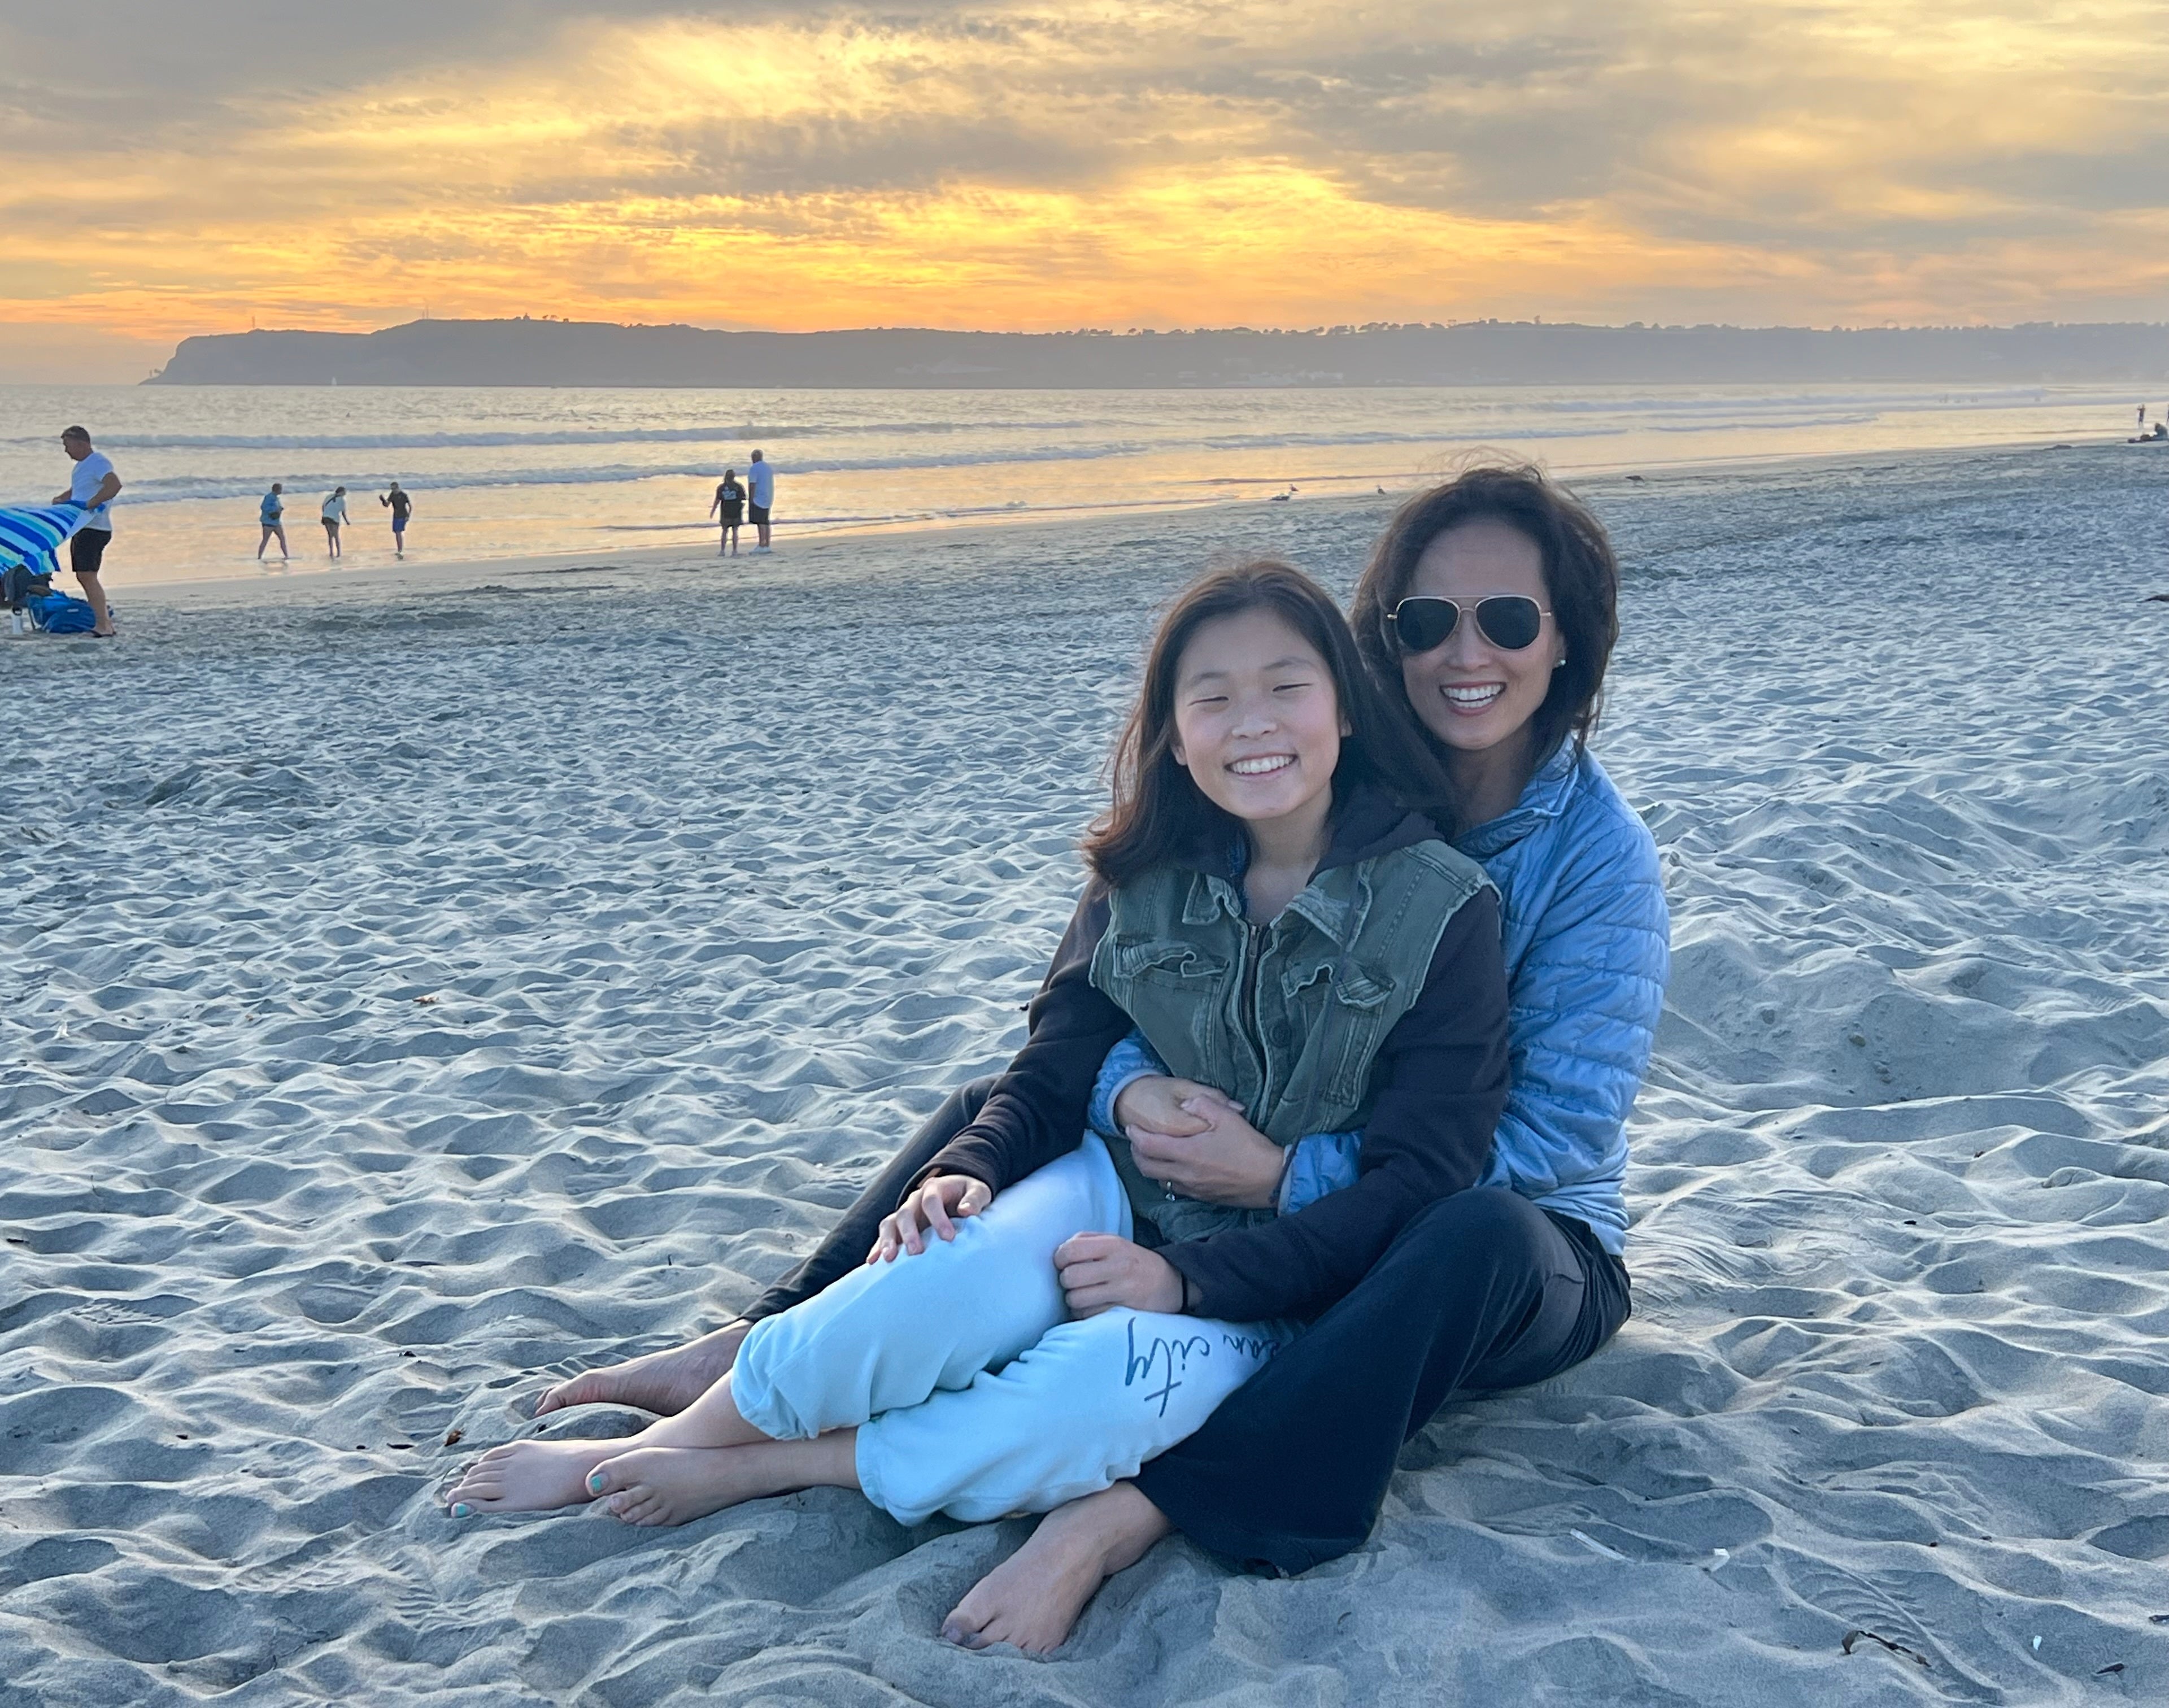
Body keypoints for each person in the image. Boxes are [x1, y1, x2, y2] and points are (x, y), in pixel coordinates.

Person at [535, 465, 1667, 1652]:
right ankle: (778, 1334)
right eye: (1426, 620)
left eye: (1509, 619)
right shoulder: (1334, 782)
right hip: (1305, 1199)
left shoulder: (1593, 860)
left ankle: (1130, 1515)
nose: (1463, 651)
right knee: (1006, 1102)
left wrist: (1284, 1176)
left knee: (1464, 1233)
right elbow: (1143, 999)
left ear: (1567, 644)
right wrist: (1134, 1095)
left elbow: (1542, 1150)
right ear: (1379, 647)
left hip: (1513, 1252)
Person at [444, 563, 1512, 1574]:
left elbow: (1420, 1181)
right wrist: (967, 1170)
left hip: (1286, 1290)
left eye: (1287, 687)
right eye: (1213, 697)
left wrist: (1189, 1281)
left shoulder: (1441, 906)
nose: (1253, 724)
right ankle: (663, 1440)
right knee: (914, 1290)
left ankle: (778, 1463)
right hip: (1107, 1195)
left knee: (1079, 1405)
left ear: (1347, 708)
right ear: (1175, 736)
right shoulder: (1141, 876)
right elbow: (1051, 1067)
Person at [51, 425, 120, 637]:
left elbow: (114, 485)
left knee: (88, 576)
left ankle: (104, 625)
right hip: (83, 527)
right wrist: (63, 498)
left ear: (81, 444)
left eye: (68, 445)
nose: (66, 451)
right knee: (84, 576)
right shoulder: (82, 467)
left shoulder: (98, 462)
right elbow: (81, 489)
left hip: (94, 528)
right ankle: (104, 623)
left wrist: (91, 504)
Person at [711, 468, 747, 555]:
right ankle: (735, 550)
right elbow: (744, 498)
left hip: (725, 511)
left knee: (724, 531)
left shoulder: (721, 487)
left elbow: (717, 500)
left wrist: (713, 510)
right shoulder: (739, 487)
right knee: (735, 531)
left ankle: (722, 551)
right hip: (736, 511)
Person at [746, 449, 774, 551]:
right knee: (766, 521)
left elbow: (752, 484)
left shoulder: (754, 468)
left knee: (760, 522)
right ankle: (767, 544)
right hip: (768, 497)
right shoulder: (768, 467)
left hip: (758, 498)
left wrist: (751, 498)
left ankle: (762, 544)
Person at [258, 484, 289, 561]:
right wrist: (275, 510)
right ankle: (259, 557)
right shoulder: (269, 497)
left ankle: (286, 556)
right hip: (268, 522)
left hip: (276, 522)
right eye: (280, 489)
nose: (281, 491)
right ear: (277, 489)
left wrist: (280, 509)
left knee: (282, 538)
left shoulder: (276, 498)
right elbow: (264, 507)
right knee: (265, 540)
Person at [379, 482, 411, 557]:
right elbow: (387, 505)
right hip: (396, 516)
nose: (393, 490)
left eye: (394, 489)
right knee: (397, 532)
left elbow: (410, 506)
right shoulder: (392, 495)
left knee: (399, 532)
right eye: (392, 489)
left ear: (397, 488)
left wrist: (408, 516)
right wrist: (383, 500)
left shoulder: (403, 495)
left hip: (403, 515)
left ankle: (401, 550)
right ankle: (399, 549)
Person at [321, 487, 349, 559]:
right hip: (334, 519)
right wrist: (347, 521)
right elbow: (343, 513)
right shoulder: (342, 500)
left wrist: (325, 513)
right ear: (341, 492)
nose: (345, 493)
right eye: (344, 492)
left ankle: (331, 552)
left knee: (330, 535)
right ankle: (339, 553)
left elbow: (323, 506)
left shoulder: (329, 496)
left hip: (326, 518)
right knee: (336, 536)